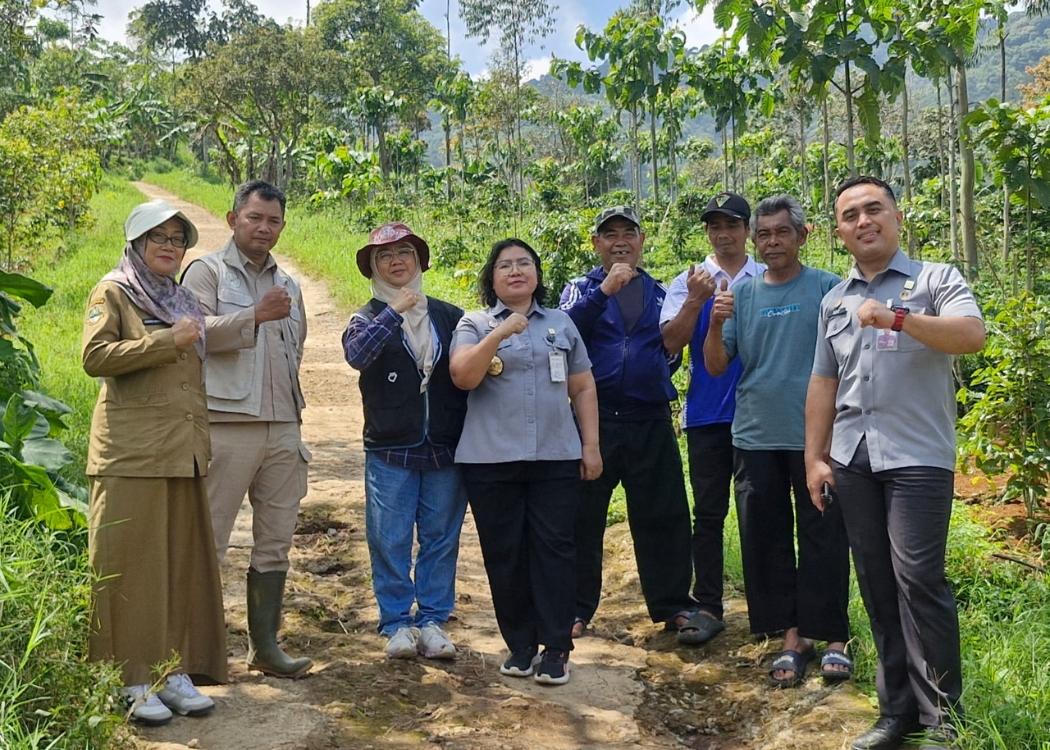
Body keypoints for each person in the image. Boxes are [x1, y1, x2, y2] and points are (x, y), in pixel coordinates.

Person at [805, 176, 985, 750]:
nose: (864, 221)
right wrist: (814, 457)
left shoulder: (936, 280)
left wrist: (897, 318)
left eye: (873, 209)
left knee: (919, 580)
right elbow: (823, 383)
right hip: (853, 457)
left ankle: (943, 721)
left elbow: (971, 336)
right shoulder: (834, 300)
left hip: (916, 457)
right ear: (840, 233)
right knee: (877, 583)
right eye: (851, 215)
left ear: (897, 216)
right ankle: (894, 712)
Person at [83, 199, 223, 725]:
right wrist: (166, 340)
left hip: (181, 451)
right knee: (131, 566)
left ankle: (174, 670)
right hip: (131, 452)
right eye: (158, 238)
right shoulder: (113, 291)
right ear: (137, 244)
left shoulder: (182, 299)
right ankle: (129, 677)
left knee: (179, 564)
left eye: (177, 239)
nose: (169, 247)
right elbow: (95, 358)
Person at [702, 195, 850, 687]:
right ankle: (791, 635)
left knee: (824, 535)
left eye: (780, 233)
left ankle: (832, 635)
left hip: (817, 440)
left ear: (802, 236)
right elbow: (717, 365)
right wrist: (716, 320)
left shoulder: (829, 289)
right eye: (763, 234)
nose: (771, 242)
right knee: (765, 538)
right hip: (756, 436)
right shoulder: (741, 296)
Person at [450, 239, 601, 686]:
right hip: (490, 460)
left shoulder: (561, 323)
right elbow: (463, 376)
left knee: (555, 550)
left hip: (555, 456)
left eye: (524, 264)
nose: (516, 271)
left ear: (537, 273)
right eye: (505, 266)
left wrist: (590, 445)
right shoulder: (473, 322)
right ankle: (520, 644)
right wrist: (500, 333)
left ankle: (556, 647)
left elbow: (583, 387)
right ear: (491, 278)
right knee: (506, 553)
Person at [182, 180, 312, 679]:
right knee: (210, 538)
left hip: (283, 425)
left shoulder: (291, 284)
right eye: (254, 217)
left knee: (275, 540)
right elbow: (191, 335)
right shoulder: (206, 270)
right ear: (233, 218)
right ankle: (200, 654)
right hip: (227, 423)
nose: (264, 228)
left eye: (273, 221)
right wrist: (253, 315)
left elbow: (293, 349)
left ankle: (265, 647)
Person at [559, 206, 696, 638]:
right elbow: (563, 334)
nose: (620, 241)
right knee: (582, 516)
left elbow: (672, 350)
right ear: (595, 242)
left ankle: (673, 604)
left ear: (641, 240)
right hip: (591, 418)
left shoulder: (661, 292)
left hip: (649, 416)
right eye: (609, 234)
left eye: (628, 233)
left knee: (664, 514)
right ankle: (575, 608)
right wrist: (605, 290)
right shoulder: (579, 289)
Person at [342, 222, 468, 660]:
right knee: (389, 536)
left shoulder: (450, 316)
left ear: (420, 261)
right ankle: (396, 621)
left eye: (405, 254)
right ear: (373, 267)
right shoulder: (365, 318)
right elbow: (358, 356)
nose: (396, 261)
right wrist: (393, 311)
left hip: (444, 446)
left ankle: (433, 619)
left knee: (440, 536)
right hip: (390, 446)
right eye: (385, 256)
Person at [660, 192, 765, 644]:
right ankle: (707, 605)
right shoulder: (688, 282)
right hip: (707, 414)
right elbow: (667, 343)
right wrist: (695, 302)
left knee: (762, 514)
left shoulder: (768, 277)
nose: (723, 234)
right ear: (707, 232)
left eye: (733, 225)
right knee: (708, 513)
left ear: (748, 231)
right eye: (715, 226)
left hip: (762, 417)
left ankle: (769, 609)